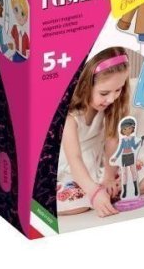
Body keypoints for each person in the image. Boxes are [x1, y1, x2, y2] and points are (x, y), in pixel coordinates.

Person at [56, 47, 131, 217]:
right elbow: (74, 159)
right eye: (104, 93)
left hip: (100, 166)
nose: (111, 99)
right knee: (78, 202)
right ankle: (96, 196)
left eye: (118, 90)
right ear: (85, 85)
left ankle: (101, 194)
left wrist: (109, 177)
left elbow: (112, 141)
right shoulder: (70, 118)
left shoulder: (111, 106)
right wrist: (94, 192)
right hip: (73, 173)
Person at [110, 117, 144, 199]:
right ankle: (125, 191)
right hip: (124, 157)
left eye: (129, 128)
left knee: (133, 172)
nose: (127, 131)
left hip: (131, 156)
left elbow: (134, 147)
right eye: (125, 129)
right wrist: (115, 157)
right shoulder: (122, 140)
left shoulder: (132, 139)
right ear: (122, 130)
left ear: (132, 129)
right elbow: (120, 150)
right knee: (124, 173)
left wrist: (140, 142)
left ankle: (135, 189)